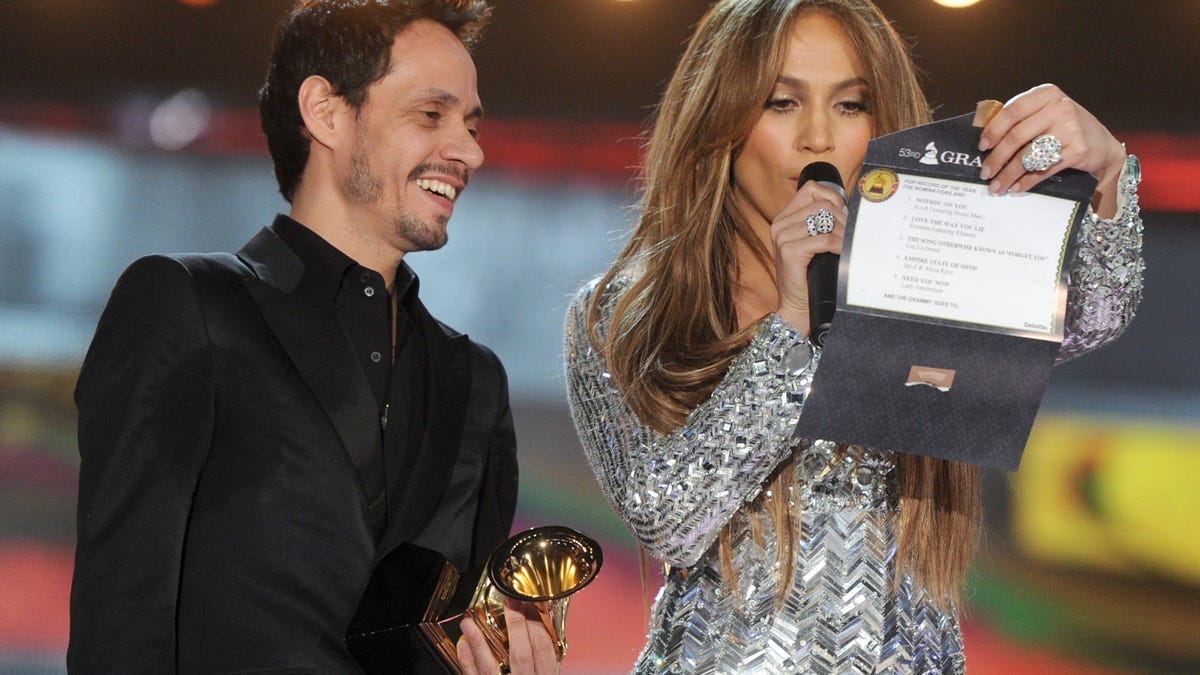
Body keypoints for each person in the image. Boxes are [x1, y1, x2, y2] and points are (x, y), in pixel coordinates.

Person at [563, 0, 1143, 672]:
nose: (817, 138)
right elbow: (668, 516)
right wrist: (790, 325)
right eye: (781, 103)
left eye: (849, 105)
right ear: (722, 119)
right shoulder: (629, 309)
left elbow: (1095, 315)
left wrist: (1106, 173)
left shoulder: (925, 277)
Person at [68, 1, 557, 673]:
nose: (470, 150)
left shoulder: (476, 384)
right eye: (431, 115)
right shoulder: (187, 307)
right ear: (325, 110)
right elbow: (117, 634)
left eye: (471, 125)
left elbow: (460, 643)